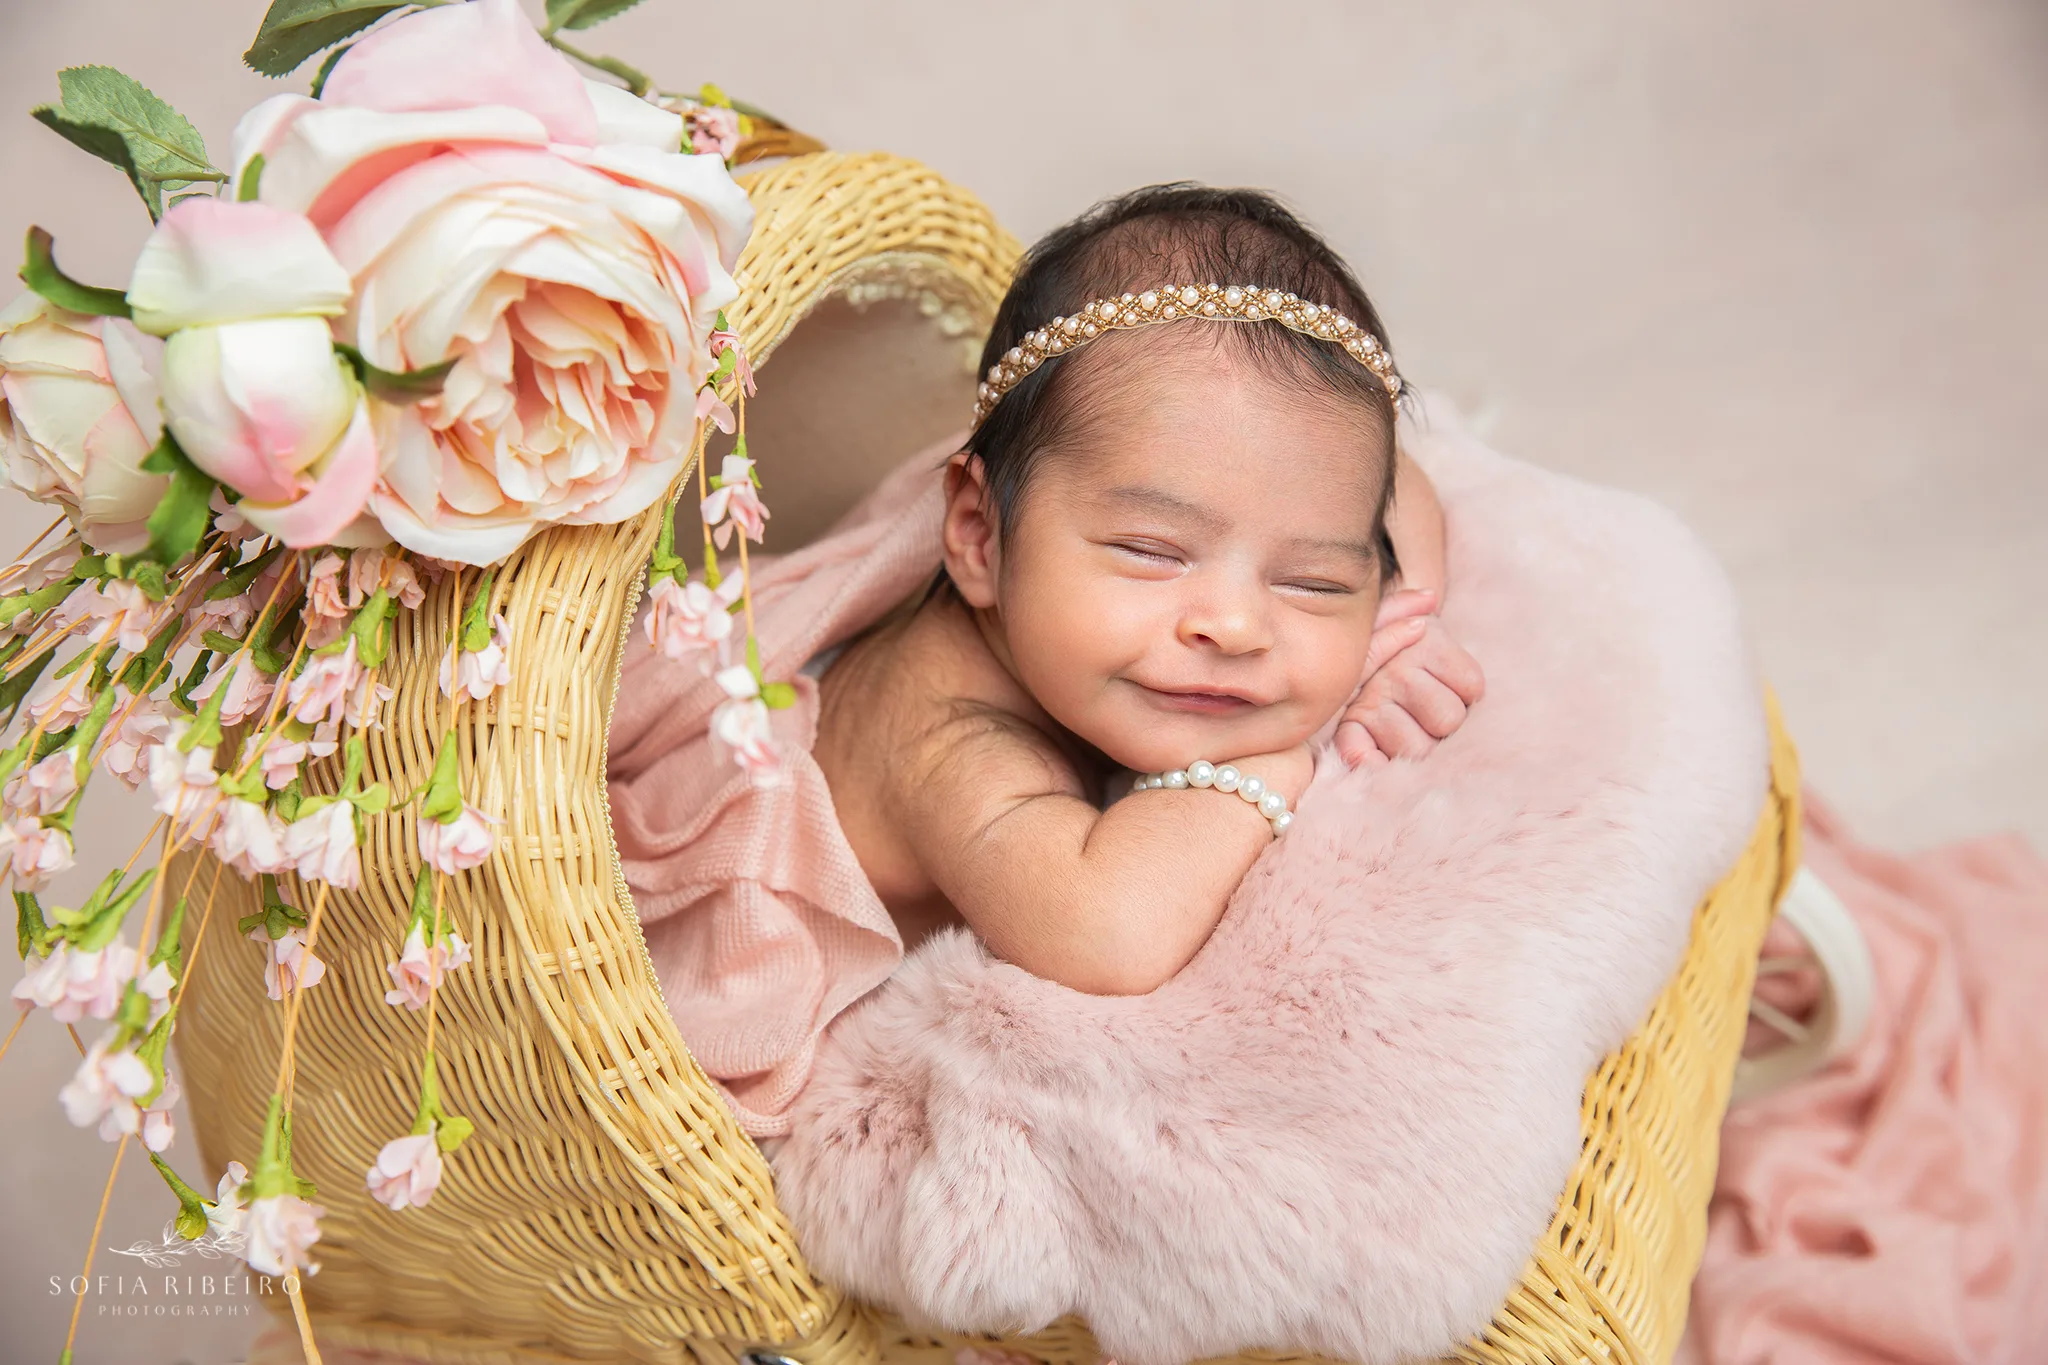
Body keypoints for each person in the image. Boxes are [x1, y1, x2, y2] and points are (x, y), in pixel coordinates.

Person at [808, 185, 1485, 996]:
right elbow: (1106, 934)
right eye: (1152, 552)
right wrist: (1282, 758)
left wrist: (1399, 625)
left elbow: (1401, 489)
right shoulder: (948, 738)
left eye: (1314, 579)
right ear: (980, 535)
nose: (1235, 626)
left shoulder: (1119, 574)